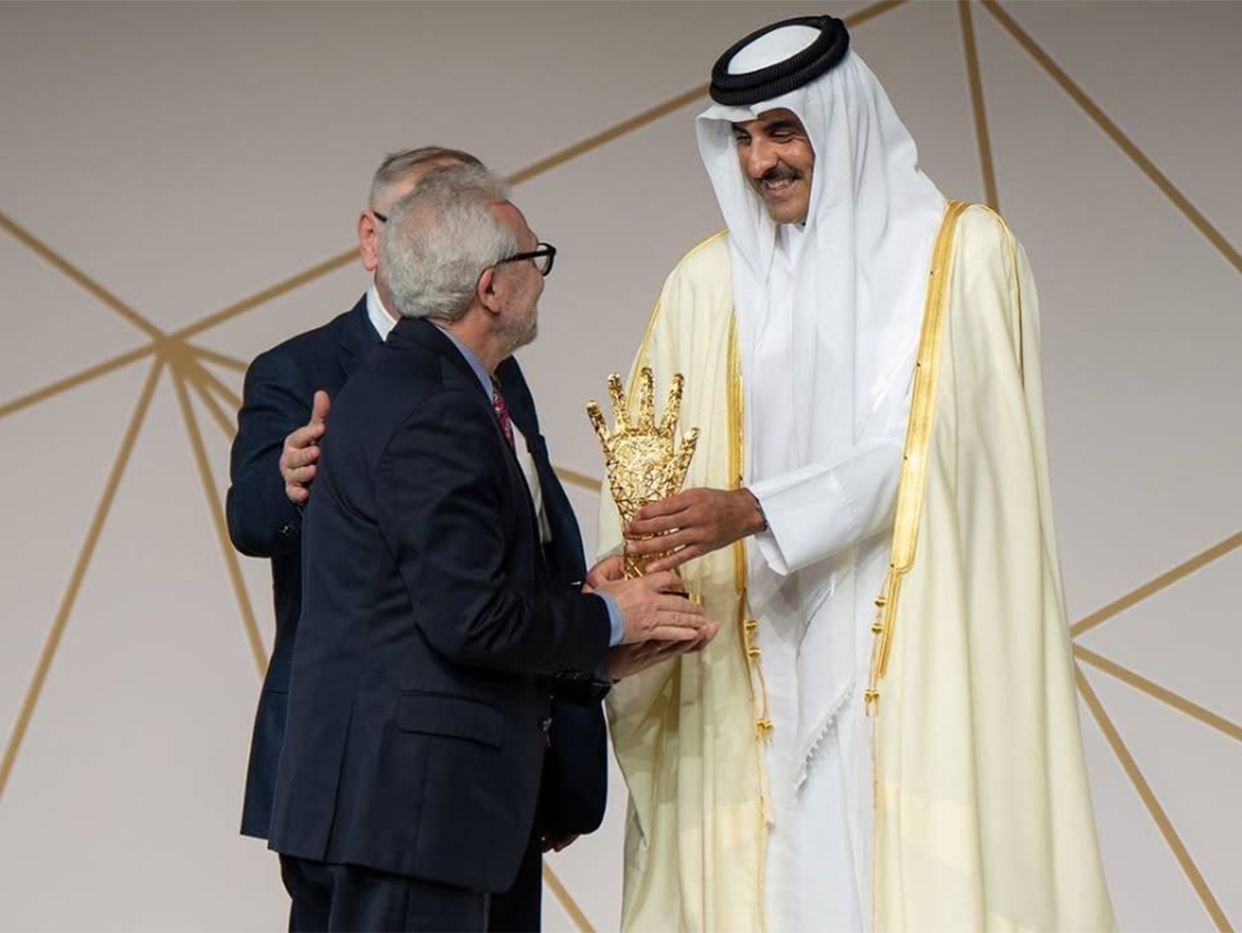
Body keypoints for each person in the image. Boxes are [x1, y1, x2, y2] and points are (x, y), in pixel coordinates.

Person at [599, 15, 1115, 933]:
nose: (761, 162)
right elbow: (646, 468)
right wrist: (633, 564)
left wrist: (756, 508)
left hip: (911, 658)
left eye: (783, 130)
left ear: (839, 122)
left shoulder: (960, 257)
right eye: (743, 137)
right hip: (746, 676)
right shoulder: (706, 283)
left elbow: (935, 446)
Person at [267, 165, 717, 931]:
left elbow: (443, 594)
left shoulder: (431, 386)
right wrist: (609, 616)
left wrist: (586, 627)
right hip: (406, 812)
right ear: (491, 287)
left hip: (396, 808)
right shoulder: (435, 407)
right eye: (532, 257)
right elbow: (470, 618)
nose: (542, 276)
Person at [226, 148, 611, 931]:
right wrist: (288, 479)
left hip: (484, 762)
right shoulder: (325, 370)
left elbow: (528, 545)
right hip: (389, 776)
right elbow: (254, 521)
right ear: (377, 238)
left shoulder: (489, 373)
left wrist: (562, 728)